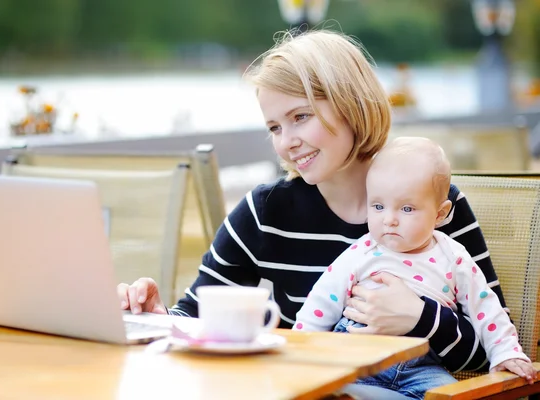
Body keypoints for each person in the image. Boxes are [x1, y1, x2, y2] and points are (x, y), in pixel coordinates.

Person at [117, 29, 510, 399]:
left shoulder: (435, 208)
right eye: (274, 127)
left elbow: (490, 351)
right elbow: (197, 316)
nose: (287, 143)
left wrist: (419, 317)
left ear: (350, 104)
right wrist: (155, 317)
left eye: (300, 117)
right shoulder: (266, 211)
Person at [293, 137, 536, 399]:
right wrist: (299, 353)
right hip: (359, 356)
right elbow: (321, 302)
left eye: (407, 208)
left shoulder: (453, 256)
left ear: (440, 214)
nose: (389, 220)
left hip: (422, 367)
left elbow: (486, 309)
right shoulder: (362, 252)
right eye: (378, 206)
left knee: (452, 396)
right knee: (326, 392)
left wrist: (506, 353)